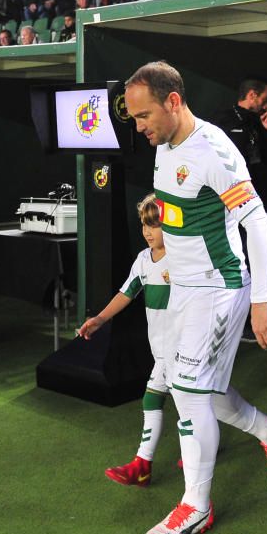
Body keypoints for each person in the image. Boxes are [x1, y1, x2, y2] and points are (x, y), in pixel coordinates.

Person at [123, 61, 267, 534]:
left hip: (221, 288)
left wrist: (262, 300)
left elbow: (257, 224)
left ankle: (196, 506)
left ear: (173, 101)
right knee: (203, 391)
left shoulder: (215, 151)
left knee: (190, 389)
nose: (140, 128)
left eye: (143, 116)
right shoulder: (164, 144)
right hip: (187, 289)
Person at [79, 194, 174, 486]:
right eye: (144, 225)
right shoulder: (143, 260)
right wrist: (99, 320)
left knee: (163, 399)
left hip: (183, 349)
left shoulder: (184, 258)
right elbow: (126, 293)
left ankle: (142, 465)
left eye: (154, 225)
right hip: (161, 351)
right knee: (206, 403)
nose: (147, 232)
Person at [213, 78, 267, 203]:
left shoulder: (260, 125)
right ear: (252, 95)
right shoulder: (223, 118)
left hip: (242, 195)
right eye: (264, 100)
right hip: (214, 189)